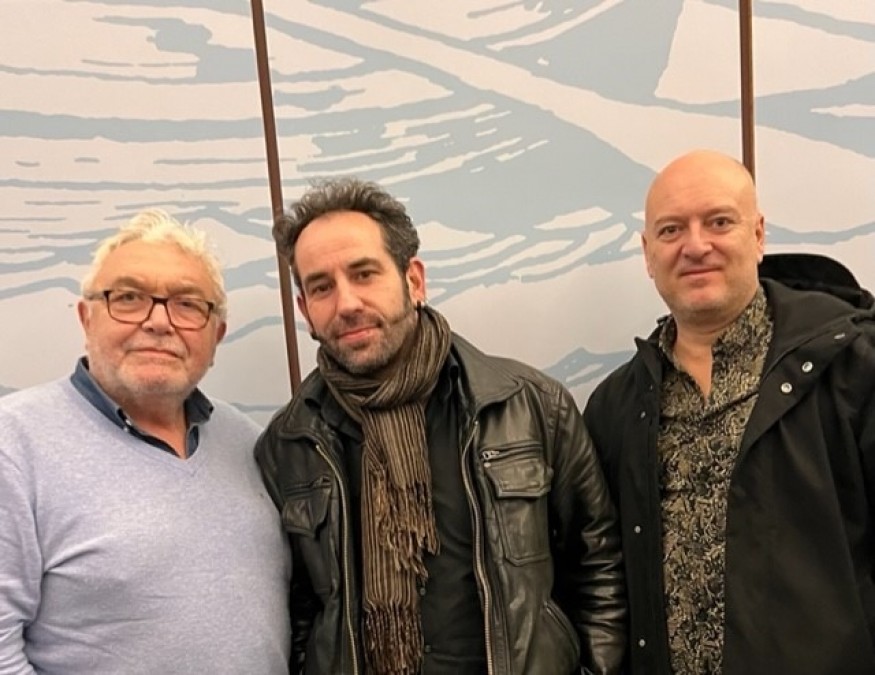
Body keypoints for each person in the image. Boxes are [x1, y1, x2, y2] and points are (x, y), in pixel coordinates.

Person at [255, 177, 626, 675]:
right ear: (305, 310)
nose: (346, 303)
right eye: (321, 287)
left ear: (413, 281)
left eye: (364, 274)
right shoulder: (289, 443)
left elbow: (597, 564)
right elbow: (298, 609)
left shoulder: (530, 406)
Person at [584, 149, 875, 675]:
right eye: (671, 230)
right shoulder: (615, 409)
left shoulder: (853, 366)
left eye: (719, 222)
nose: (696, 246)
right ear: (648, 253)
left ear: (758, 234)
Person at [0, 210, 291, 674]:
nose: (158, 322)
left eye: (187, 304)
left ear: (215, 336)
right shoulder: (13, 445)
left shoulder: (249, 443)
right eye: (129, 298)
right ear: (86, 318)